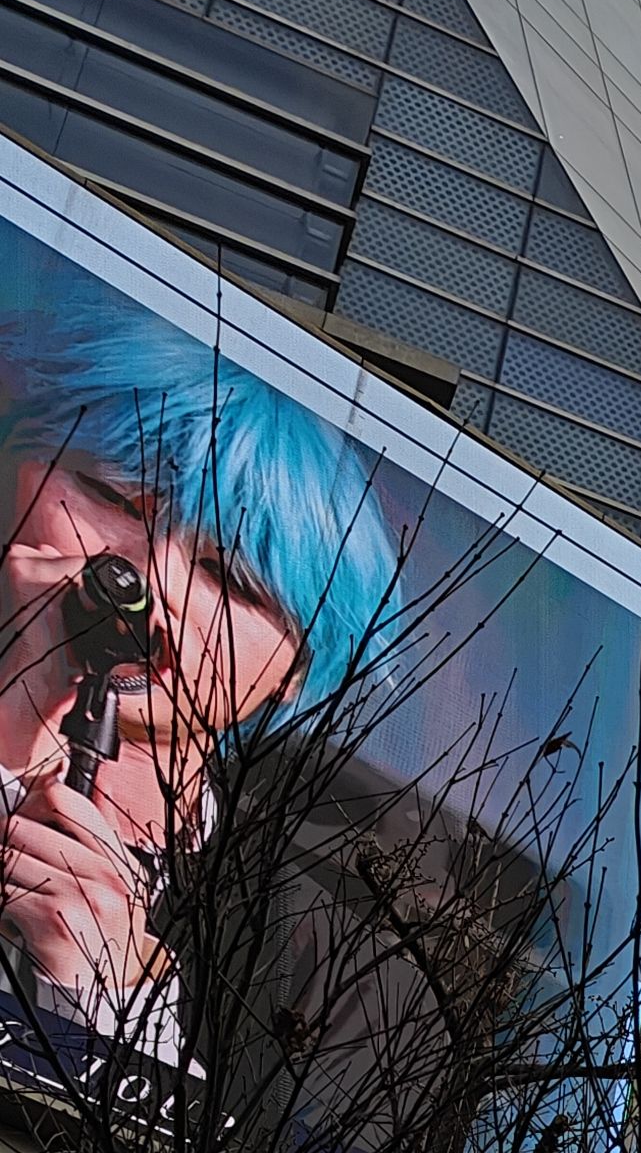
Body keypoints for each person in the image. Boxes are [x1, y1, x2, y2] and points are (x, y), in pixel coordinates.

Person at [0, 236, 400, 1060]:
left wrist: (116, 1005)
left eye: (230, 578)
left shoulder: (321, 961)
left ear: (296, 672)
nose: (153, 582)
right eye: (113, 497)